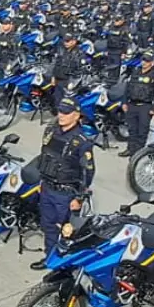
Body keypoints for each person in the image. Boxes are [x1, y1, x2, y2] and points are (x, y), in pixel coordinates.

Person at [31, 96, 95, 268]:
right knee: (48, 226)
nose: (61, 115)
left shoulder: (82, 142)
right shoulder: (52, 131)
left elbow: (88, 172)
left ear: (76, 115)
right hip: (47, 188)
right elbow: (45, 156)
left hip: (66, 194)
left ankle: (66, 264)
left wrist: (79, 198)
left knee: (67, 230)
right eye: (60, 111)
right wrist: (41, 182)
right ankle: (50, 259)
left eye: (66, 113)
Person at [121, 52, 154, 157]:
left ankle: (138, 154)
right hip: (132, 105)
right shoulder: (135, 71)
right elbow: (127, 88)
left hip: (145, 106)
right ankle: (130, 149)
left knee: (142, 132)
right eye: (143, 60)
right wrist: (124, 102)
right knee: (132, 129)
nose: (144, 62)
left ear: (152, 63)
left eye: (147, 61)